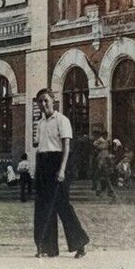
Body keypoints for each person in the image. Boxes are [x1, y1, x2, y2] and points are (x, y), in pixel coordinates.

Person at [33, 88, 89, 259]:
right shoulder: (41, 124)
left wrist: (62, 169)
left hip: (58, 163)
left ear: (53, 101)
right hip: (43, 164)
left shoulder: (62, 120)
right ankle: (48, 247)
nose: (43, 104)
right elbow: (40, 148)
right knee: (43, 207)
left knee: (62, 205)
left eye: (46, 100)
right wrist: (37, 169)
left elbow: (66, 147)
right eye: (40, 101)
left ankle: (80, 244)